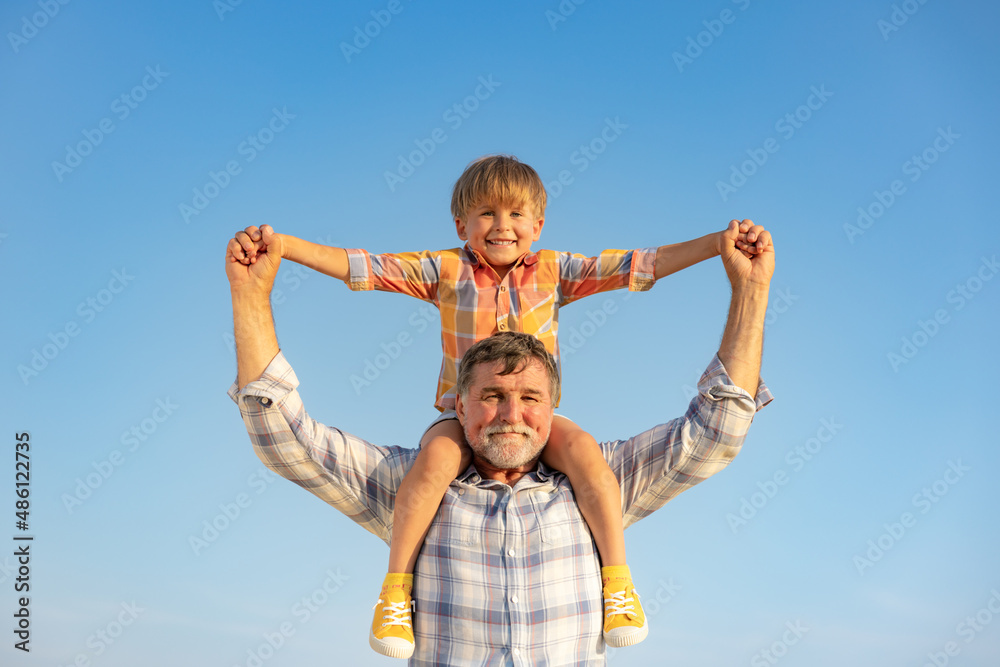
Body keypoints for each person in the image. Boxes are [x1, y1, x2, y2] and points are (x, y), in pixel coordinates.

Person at [227, 155, 765, 657]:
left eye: (516, 213)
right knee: (434, 463)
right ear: (461, 225)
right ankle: (395, 592)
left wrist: (717, 246)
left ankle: (618, 581)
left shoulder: (555, 271)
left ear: (539, 224)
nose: (501, 224)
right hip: (454, 427)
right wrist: (286, 250)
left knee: (583, 452)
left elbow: (635, 266)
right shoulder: (445, 270)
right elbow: (361, 267)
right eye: (485, 212)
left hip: (545, 432)